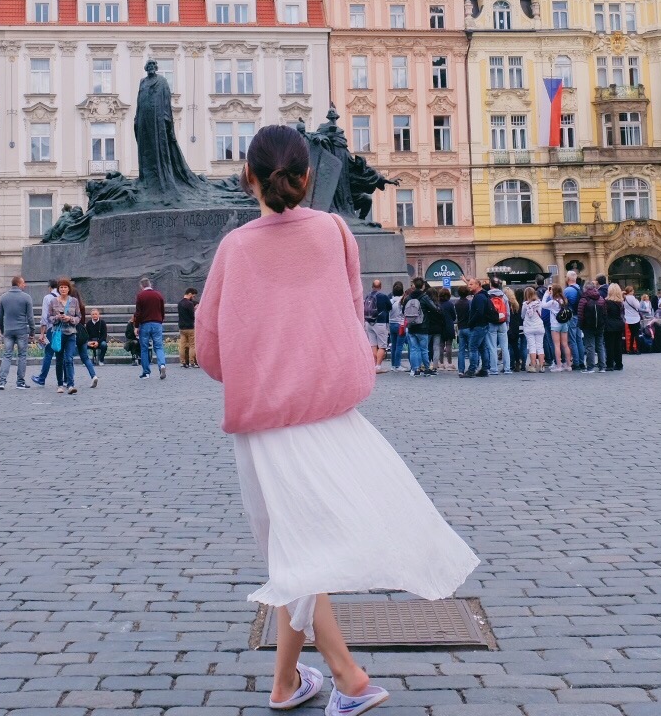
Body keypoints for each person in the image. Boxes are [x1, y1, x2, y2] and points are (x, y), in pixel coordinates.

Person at [196, 124, 477, 714]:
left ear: (248, 177)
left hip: (267, 419)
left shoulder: (235, 248)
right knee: (300, 550)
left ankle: (344, 679)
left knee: (295, 551)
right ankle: (291, 682)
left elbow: (210, 349)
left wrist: (258, 366)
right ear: (309, 179)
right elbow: (352, 314)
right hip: (330, 412)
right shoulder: (334, 231)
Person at [0, 276, 34, 390]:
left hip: (8, 330)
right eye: (23, 283)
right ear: (18, 284)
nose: (25, 285)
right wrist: (32, 331)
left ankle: (2, 381)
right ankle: (20, 382)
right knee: (22, 355)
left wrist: (2, 329)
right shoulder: (26, 297)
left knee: (7, 355)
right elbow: (30, 317)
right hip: (21, 330)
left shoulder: (3, 297)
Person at [134, 276, 167, 380]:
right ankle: (162, 365)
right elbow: (162, 310)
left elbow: (138, 313)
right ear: (150, 284)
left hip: (145, 324)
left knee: (144, 349)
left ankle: (146, 373)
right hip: (157, 323)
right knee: (158, 347)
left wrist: (136, 326)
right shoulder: (158, 295)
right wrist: (160, 321)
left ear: (141, 286)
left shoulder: (140, 296)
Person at [601, 283, 627, 371]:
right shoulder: (621, 303)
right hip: (619, 324)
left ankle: (610, 364)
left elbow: (604, 314)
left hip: (609, 325)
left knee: (609, 345)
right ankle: (619, 364)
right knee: (618, 345)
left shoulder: (606, 302)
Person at [519, 287, 546, 372]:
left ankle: (533, 366)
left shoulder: (525, 304)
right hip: (539, 326)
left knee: (532, 347)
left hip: (529, 327)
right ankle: (542, 366)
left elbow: (522, 316)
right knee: (540, 347)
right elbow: (541, 313)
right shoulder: (539, 303)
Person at [176, 288, 199, 368]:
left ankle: (183, 362)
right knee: (192, 345)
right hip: (190, 327)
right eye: (193, 295)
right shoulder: (189, 304)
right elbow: (192, 316)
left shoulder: (179, 303)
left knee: (182, 345)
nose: (193, 297)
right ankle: (192, 362)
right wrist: (195, 310)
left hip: (182, 327)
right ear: (189, 294)